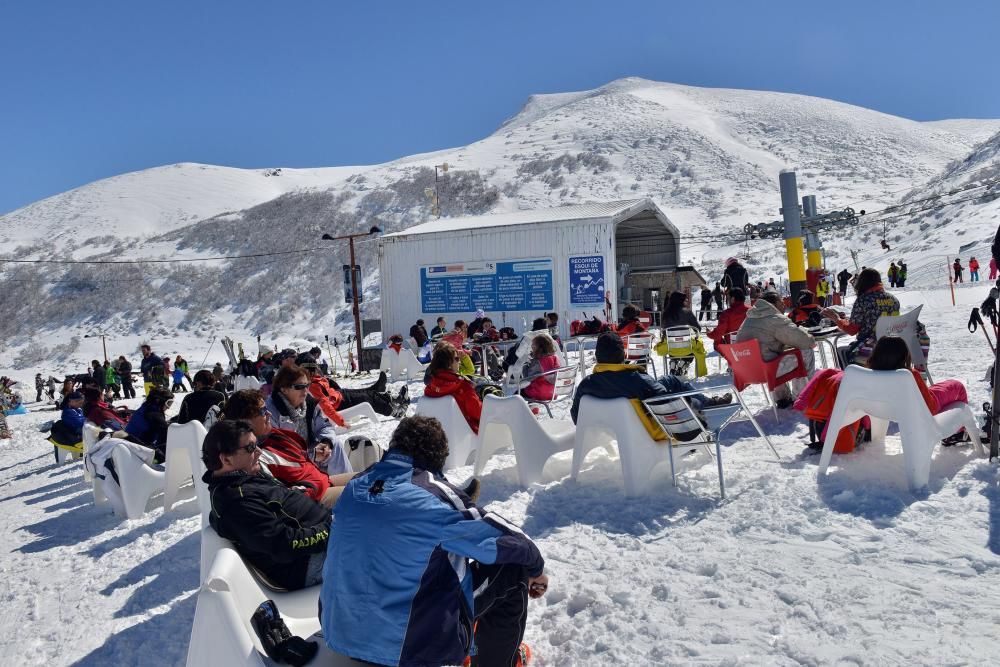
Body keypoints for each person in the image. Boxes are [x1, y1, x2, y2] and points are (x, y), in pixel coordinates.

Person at [319, 415, 546, 667]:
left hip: (340, 633)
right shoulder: (435, 498)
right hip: (408, 649)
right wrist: (536, 568)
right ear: (438, 459)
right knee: (514, 570)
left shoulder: (355, 486)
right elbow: (509, 539)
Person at [202, 420, 332, 590]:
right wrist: (332, 530)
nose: (259, 451)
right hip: (308, 563)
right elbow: (285, 543)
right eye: (250, 448)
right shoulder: (237, 503)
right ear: (226, 459)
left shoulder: (244, 477)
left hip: (321, 537)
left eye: (257, 444)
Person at [570, 333, 731, 437]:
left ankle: (706, 401)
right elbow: (669, 403)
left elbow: (577, 417)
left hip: (610, 431)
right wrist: (694, 405)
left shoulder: (586, 384)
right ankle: (706, 403)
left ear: (598, 357)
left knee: (671, 380)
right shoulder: (636, 379)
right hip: (645, 430)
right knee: (673, 384)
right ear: (622, 355)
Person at [227, 388, 353, 507]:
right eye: (263, 411)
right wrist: (314, 487)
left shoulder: (275, 436)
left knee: (370, 476)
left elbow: (295, 461)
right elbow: (284, 496)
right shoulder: (255, 457)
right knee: (368, 493)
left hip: (322, 481)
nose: (269, 413)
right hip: (315, 498)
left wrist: (313, 454)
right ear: (245, 421)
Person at [263, 366, 353, 472]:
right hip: (287, 462)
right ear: (284, 389)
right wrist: (311, 455)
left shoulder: (310, 404)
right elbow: (275, 449)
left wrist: (326, 442)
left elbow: (325, 426)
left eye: (307, 385)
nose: (306, 390)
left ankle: (347, 485)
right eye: (299, 386)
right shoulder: (271, 412)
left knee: (335, 445)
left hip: (311, 453)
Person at [734, 291, 816, 407]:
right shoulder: (774, 318)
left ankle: (782, 399)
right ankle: (802, 397)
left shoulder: (750, 317)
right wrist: (810, 339)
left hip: (747, 371)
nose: (784, 305)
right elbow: (804, 341)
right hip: (767, 370)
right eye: (781, 302)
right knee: (805, 352)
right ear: (773, 304)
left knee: (772, 355)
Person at [821, 268, 901, 365]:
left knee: (842, 352)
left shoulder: (863, 300)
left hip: (871, 351)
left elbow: (851, 330)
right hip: (895, 349)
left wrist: (836, 319)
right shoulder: (894, 299)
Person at [296, 352, 407, 420]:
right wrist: (338, 418)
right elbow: (324, 405)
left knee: (368, 394)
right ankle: (395, 412)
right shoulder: (311, 386)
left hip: (339, 396)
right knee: (366, 399)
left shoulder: (312, 380)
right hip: (340, 404)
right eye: (314, 369)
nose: (317, 370)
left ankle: (391, 398)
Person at [425, 342, 484, 433]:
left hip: (437, 434)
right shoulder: (463, 387)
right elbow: (479, 413)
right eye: (457, 359)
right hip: (465, 434)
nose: (459, 361)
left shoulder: (430, 387)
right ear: (448, 363)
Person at [125, 387, 173, 461]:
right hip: (140, 447)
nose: (168, 407)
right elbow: (166, 431)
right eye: (168, 403)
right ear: (158, 401)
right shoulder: (153, 414)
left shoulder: (147, 407)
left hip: (131, 442)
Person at [521, 333, 561, 401]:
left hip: (540, 392)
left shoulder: (537, 362)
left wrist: (526, 365)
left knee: (519, 393)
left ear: (540, 348)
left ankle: (532, 407)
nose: (532, 349)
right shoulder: (555, 358)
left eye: (533, 347)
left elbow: (528, 378)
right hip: (554, 392)